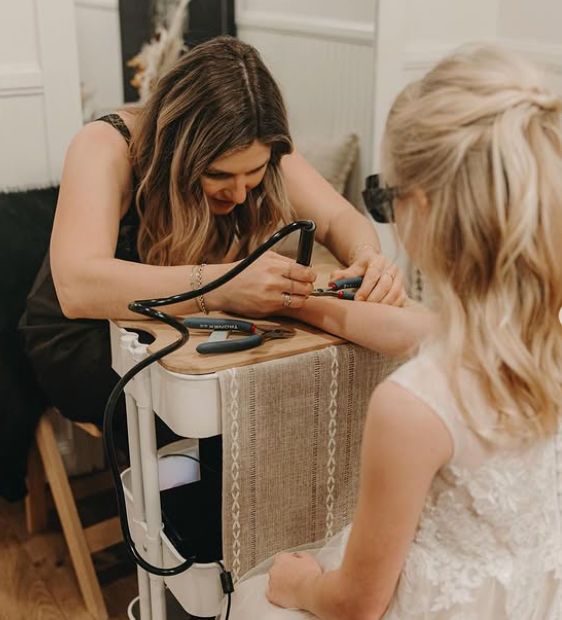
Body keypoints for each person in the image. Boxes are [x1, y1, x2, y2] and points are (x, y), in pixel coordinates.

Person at [223, 44, 562, 619]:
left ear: (421, 209)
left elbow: (356, 602)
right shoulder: (535, 336)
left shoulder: (412, 406)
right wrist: (304, 303)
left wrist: (297, 584)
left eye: (385, 199)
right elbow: (415, 327)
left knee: (257, 594)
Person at [18, 36, 404, 434]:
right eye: (218, 175)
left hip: (181, 325)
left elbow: (340, 217)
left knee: (279, 396)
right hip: (82, 341)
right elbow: (76, 288)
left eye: (252, 175)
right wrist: (224, 286)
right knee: (216, 421)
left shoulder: (254, 141)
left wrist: (368, 257)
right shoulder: (104, 145)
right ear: (177, 153)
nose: (238, 194)